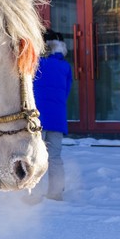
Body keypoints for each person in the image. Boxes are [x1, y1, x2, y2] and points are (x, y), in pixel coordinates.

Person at [34, 29, 72, 201]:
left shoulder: (34, 64)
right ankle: (56, 193)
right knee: (55, 157)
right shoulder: (65, 67)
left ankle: (33, 194)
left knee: (35, 157)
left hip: (36, 119)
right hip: (57, 119)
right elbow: (66, 92)